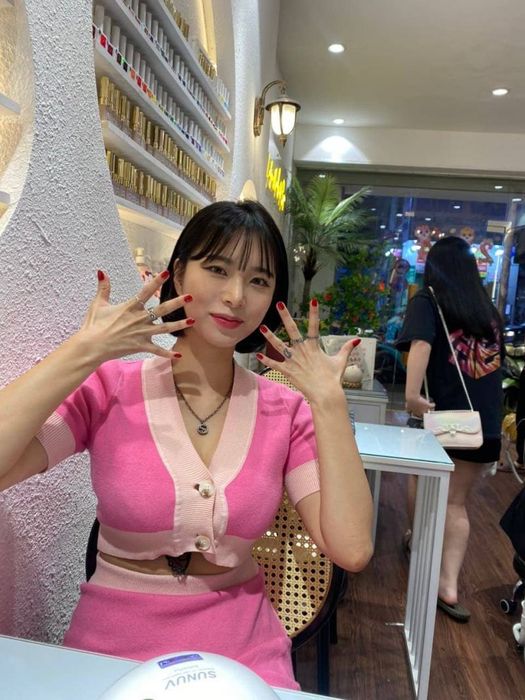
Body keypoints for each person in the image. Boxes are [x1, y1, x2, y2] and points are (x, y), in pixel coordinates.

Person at [0, 200, 373, 689]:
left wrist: (328, 402)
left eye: (259, 281)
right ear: (178, 273)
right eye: (217, 269)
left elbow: (351, 549)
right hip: (110, 648)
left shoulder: (285, 413)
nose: (236, 296)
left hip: (245, 654)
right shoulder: (111, 390)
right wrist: (85, 349)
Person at [396, 235, 503, 623]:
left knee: (419, 481)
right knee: (456, 503)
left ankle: (417, 544)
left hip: (443, 420)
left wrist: (411, 397)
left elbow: (421, 346)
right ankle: (449, 585)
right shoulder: (488, 310)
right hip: (482, 427)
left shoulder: (429, 300)